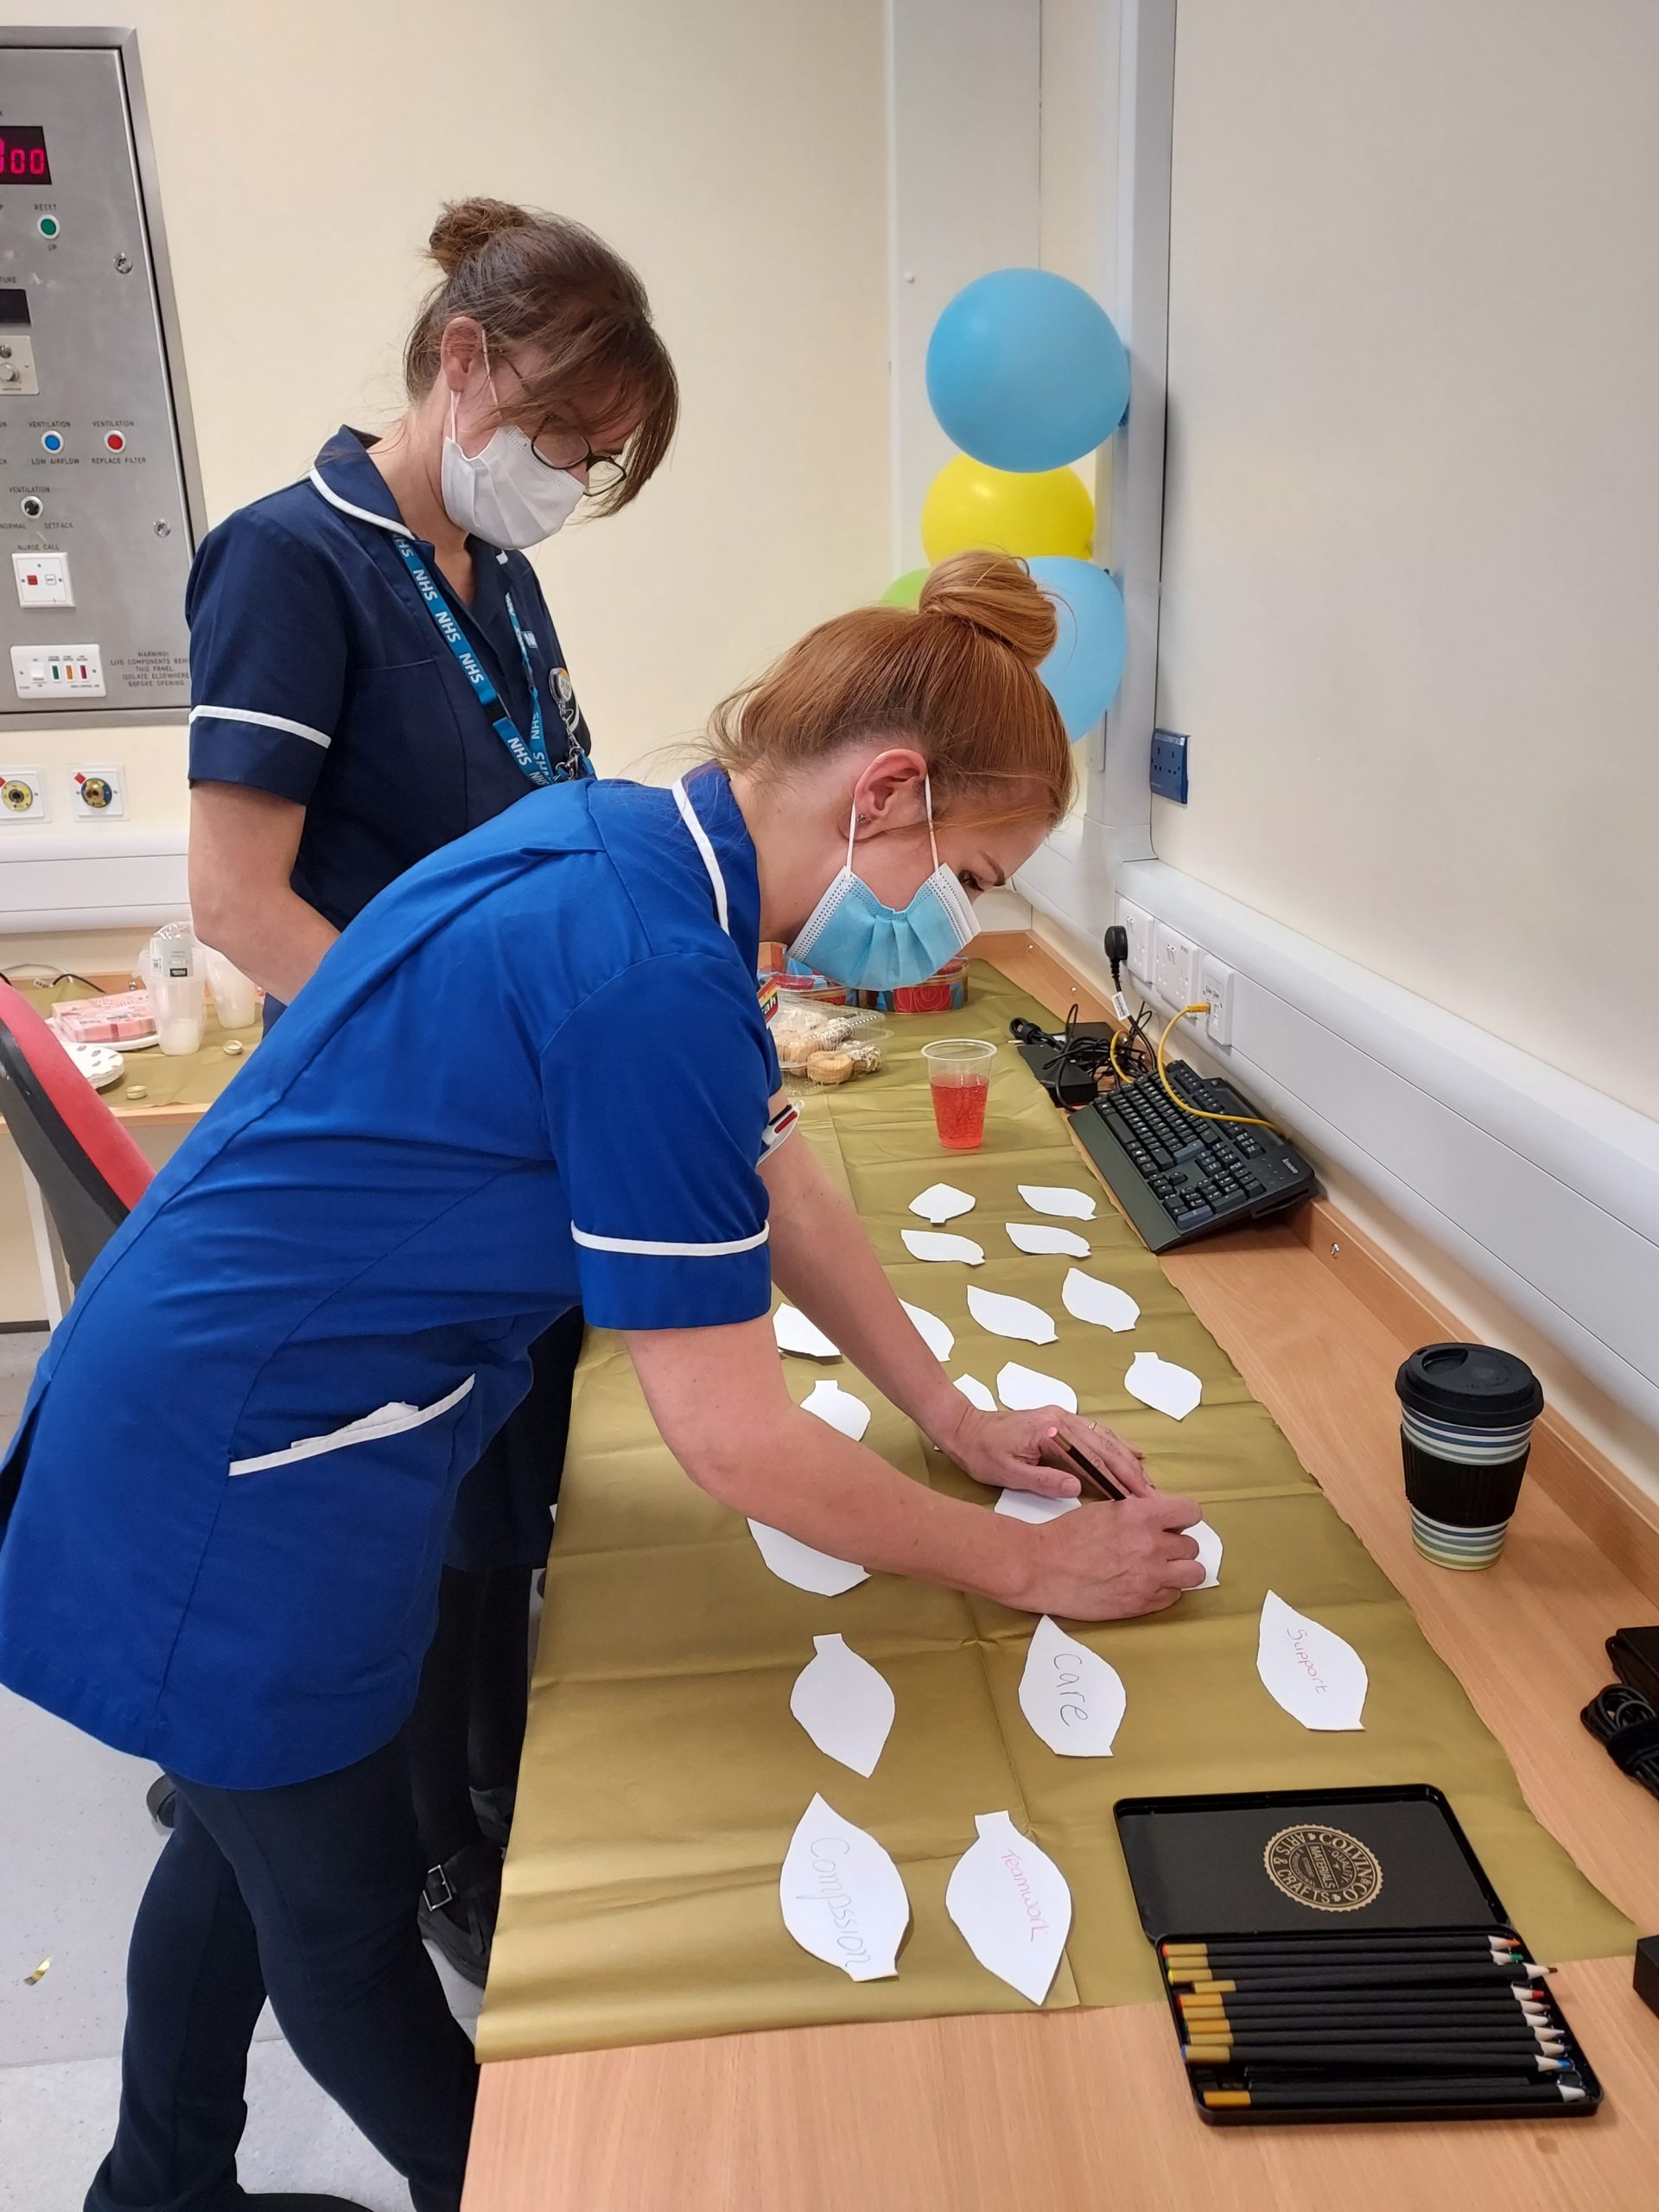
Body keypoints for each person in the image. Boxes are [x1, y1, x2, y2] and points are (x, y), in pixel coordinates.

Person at [0, 553, 1204, 2212]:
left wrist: (948, 1415)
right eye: (976, 874)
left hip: (222, 1385)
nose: (964, 920)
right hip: (232, 1464)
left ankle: (153, 2194)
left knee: (238, 1836)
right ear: (889, 796)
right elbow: (731, 1436)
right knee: (341, 1930)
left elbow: (771, 1167)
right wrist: (1024, 1558)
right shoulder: (648, 967)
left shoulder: (629, 842)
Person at [184, 196, 678, 1979]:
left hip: (511, 1129)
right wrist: (445, 1055)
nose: (566, 477)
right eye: (561, 436)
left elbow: (558, 822)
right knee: (434, 1510)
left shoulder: (504, 575)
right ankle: (441, 1846)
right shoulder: (287, 560)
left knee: (514, 1480)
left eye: (597, 462)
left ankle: (492, 1791)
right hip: (386, 1134)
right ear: (462, 364)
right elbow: (239, 897)